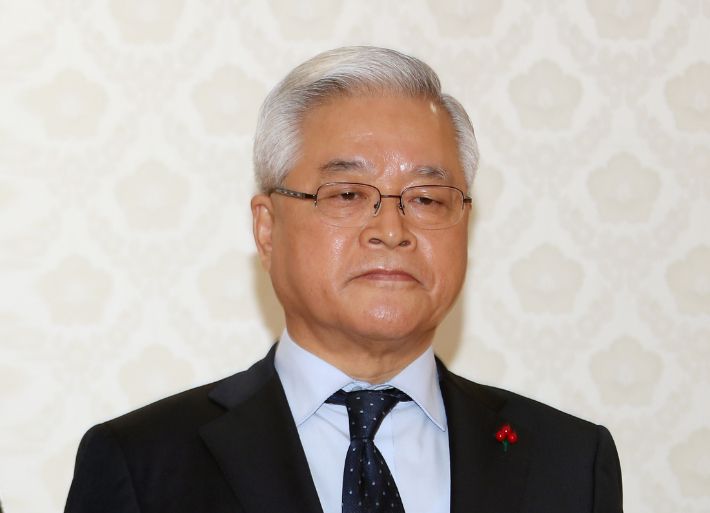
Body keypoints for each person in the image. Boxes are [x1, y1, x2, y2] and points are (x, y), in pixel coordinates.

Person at [64, 46, 623, 513]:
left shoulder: (569, 461)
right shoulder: (143, 464)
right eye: (348, 194)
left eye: (427, 199)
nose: (392, 230)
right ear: (267, 228)